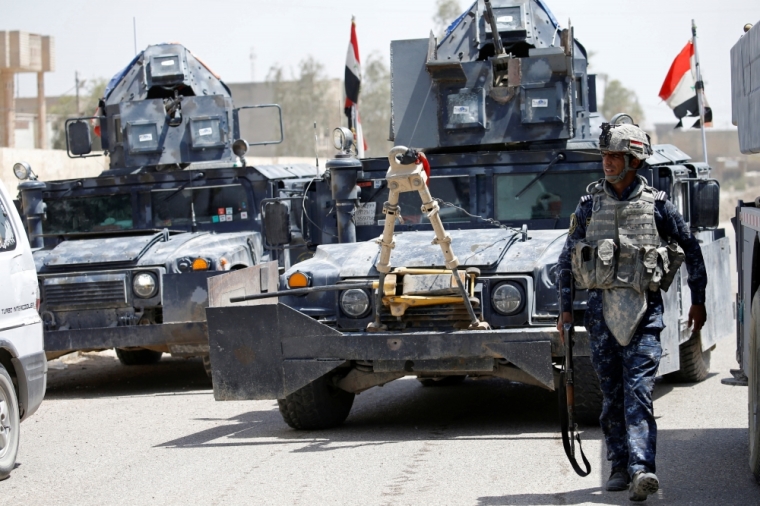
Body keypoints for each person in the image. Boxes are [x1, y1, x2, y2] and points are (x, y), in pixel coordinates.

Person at [555, 122, 707, 502]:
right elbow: (566, 259)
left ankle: (642, 469)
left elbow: (690, 248)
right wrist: (564, 312)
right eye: (604, 156)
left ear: (634, 161)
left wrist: (698, 300)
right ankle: (619, 466)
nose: (606, 163)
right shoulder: (589, 206)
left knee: (638, 392)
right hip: (601, 316)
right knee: (612, 396)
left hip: (645, 315)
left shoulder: (658, 206)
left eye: (614, 157)